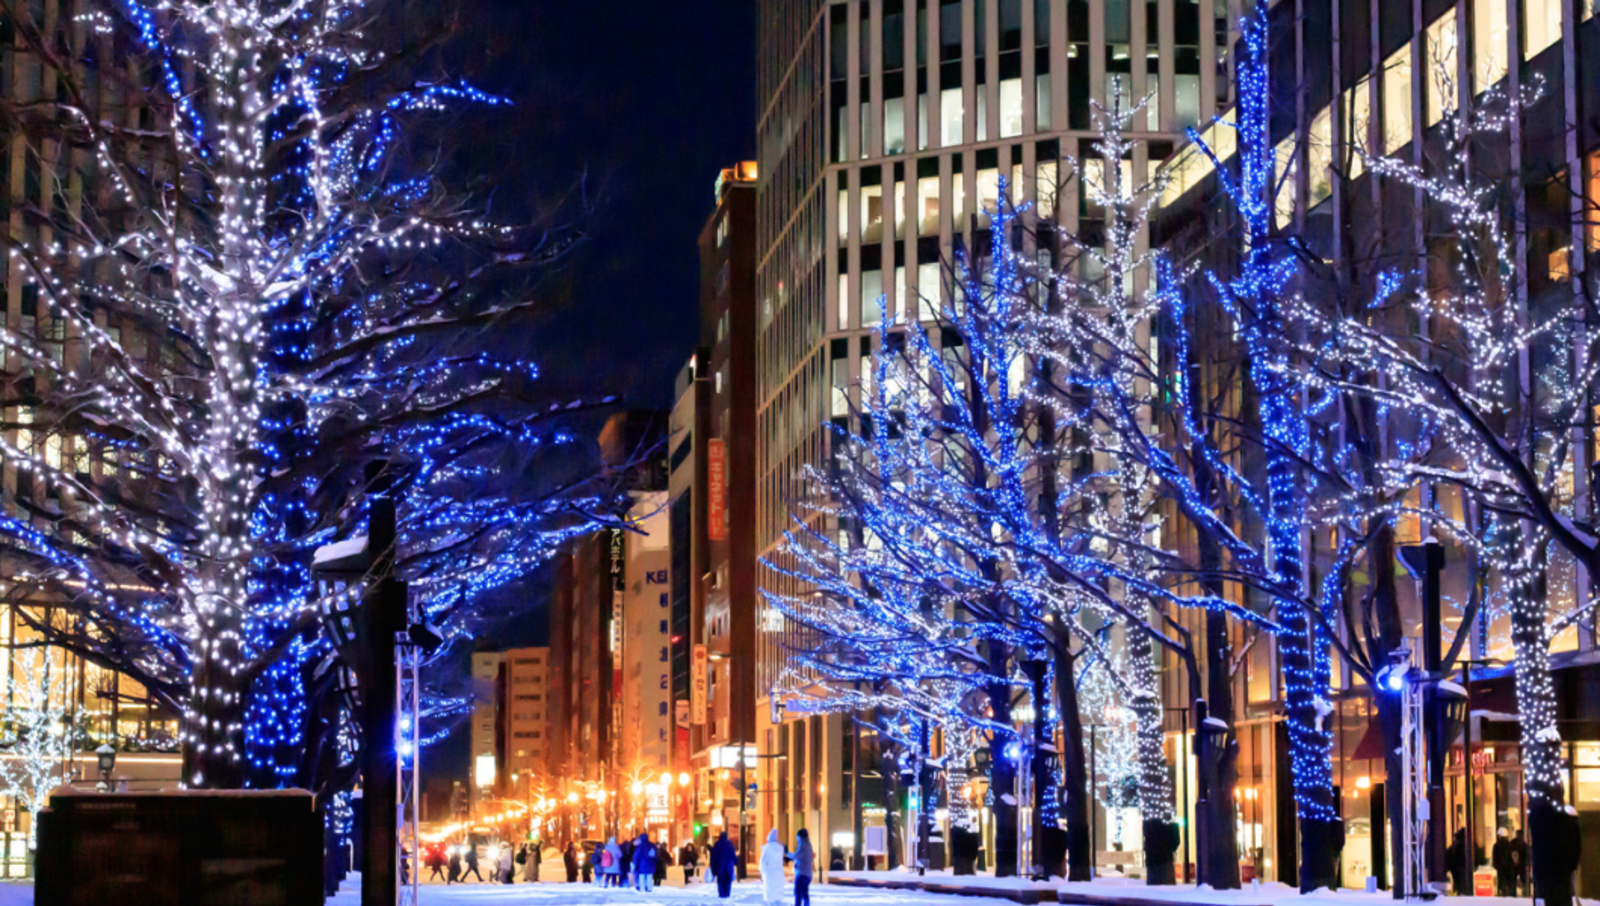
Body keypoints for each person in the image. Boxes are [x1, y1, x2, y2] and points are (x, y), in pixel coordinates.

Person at [759, 828, 788, 906]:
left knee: (770, 894)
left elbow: (762, 862)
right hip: (779, 874)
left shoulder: (767, 848)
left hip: (769, 874)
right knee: (777, 894)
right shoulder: (780, 848)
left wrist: (762, 873)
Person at [710, 830, 738, 899]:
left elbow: (714, 856)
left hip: (719, 866)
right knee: (727, 881)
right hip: (728, 866)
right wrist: (735, 861)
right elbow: (732, 855)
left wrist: (713, 867)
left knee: (720, 881)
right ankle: (727, 894)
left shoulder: (717, 844)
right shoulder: (729, 844)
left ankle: (721, 894)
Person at [792, 829, 815, 906]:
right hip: (808, 874)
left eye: (797, 836)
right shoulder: (809, 844)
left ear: (800, 836)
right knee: (805, 893)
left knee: (798, 892)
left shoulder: (802, 844)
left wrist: (786, 853)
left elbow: (796, 856)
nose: (796, 838)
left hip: (802, 873)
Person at [1445, 827, 1470, 895]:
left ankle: (1459, 891)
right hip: (1460, 867)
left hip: (1455, 867)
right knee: (1462, 882)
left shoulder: (1454, 846)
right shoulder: (1465, 845)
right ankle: (1461, 891)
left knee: (1458, 882)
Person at [1493, 827, 1517, 896]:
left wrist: (1497, 866)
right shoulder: (1510, 845)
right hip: (1509, 868)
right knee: (1510, 884)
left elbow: (1495, 859)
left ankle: (1504, 893)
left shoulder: (1496, 846)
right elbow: (1514, 857)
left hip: (1501, 869)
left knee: (1502, 884)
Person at [1512, 829, 1530, 895]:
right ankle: (1525, 893)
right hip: (1522, 865)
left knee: (1514, 880)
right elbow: (1527, 855)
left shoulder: (1513, 842)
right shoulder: (1523, 843)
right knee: (1524, 880)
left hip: (1515, 865)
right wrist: (1527, 864)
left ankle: (1513, 893)